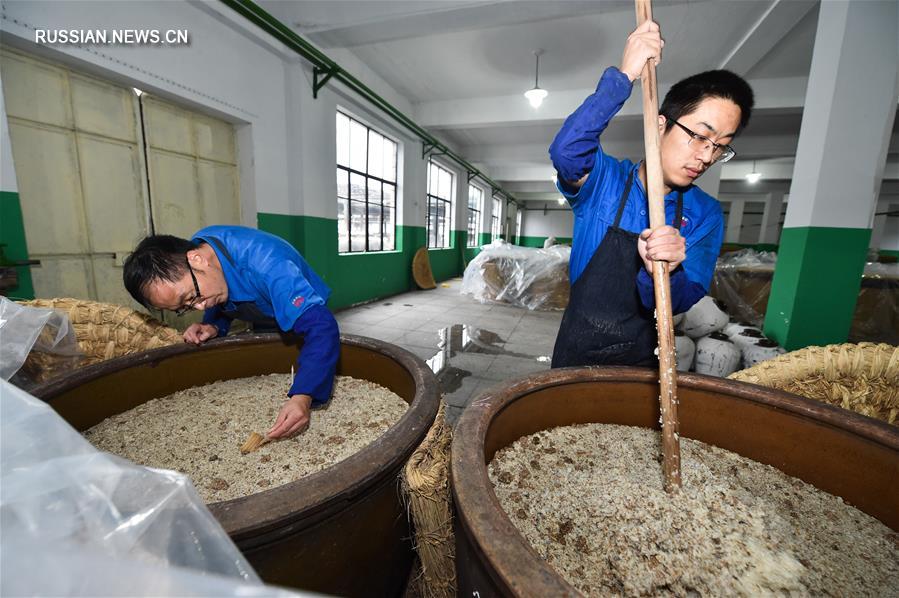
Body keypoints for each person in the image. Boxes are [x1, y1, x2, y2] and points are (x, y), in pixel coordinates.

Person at [549, 20, 754, 368]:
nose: (706, 156)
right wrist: (624, 75)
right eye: (700, 136)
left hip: (643, 362)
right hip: (575, 351)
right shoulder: (606, 181)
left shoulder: (705, 213)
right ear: (660, 125)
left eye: (721, 147)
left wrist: (667, 270)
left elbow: (682, 300)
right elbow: (567, 152)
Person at [123, 225, 339, 439]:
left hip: (299, 303)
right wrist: (213, 325)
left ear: (196, 259)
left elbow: (322, 328)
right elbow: (222, 288)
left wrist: (303, 396)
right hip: (259, 306)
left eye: (191, 297)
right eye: (184, 309)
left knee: (307, 346)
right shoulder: (202, 252)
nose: (199, 307)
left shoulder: (269, 266)